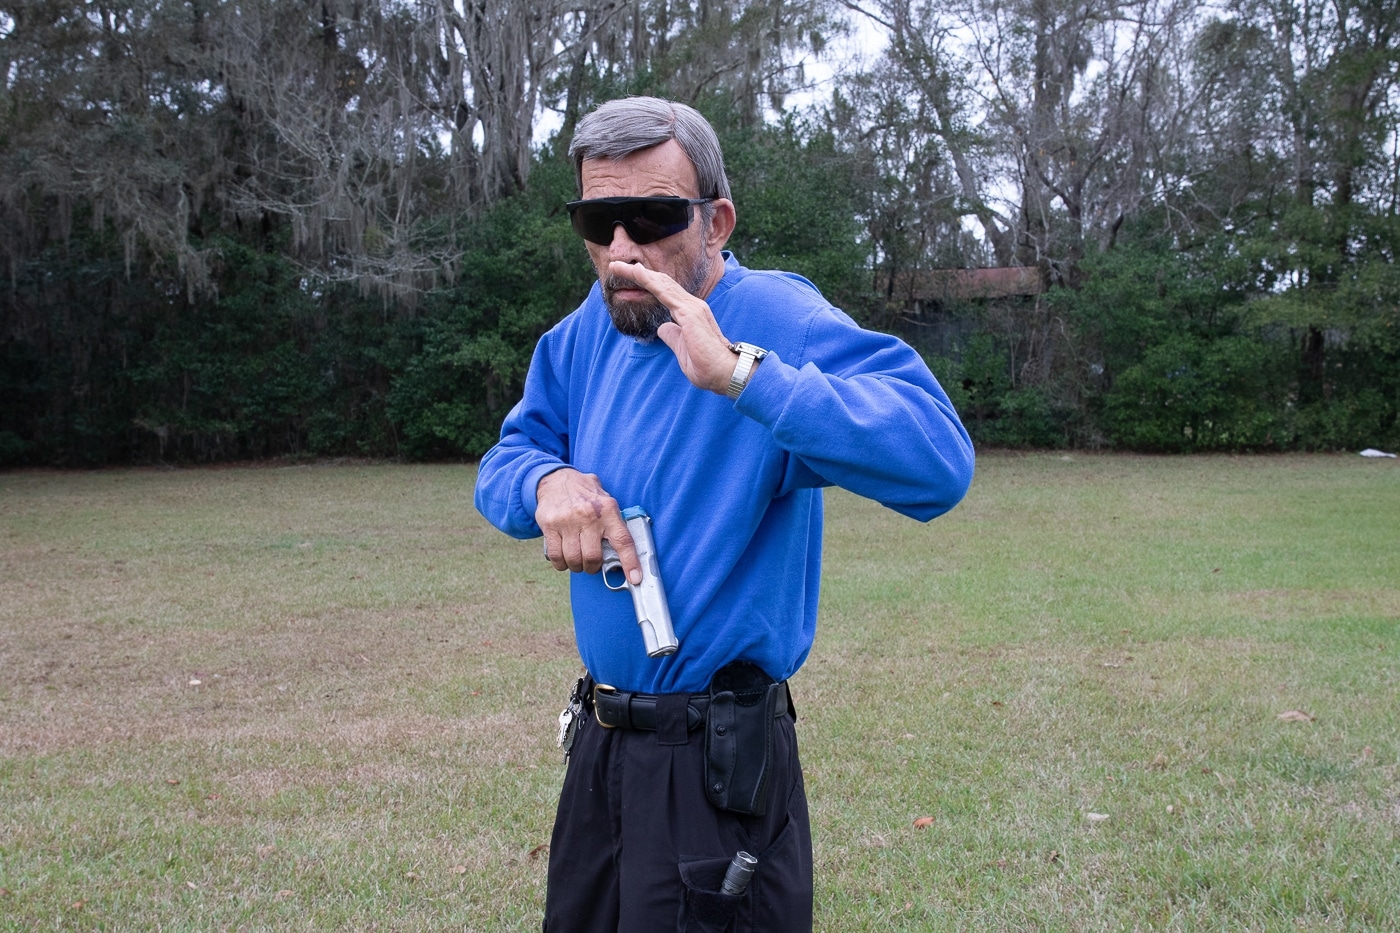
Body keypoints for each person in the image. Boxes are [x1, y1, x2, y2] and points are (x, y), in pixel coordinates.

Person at [473, 96, 974, 933]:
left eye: (653, 217)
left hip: (717, 765)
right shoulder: (582, 334)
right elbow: (506, 459)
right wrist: (543, 481)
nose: (622, 249)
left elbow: (940, 459)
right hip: (601, 747)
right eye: (598, 222)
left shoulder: (778, 318)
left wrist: (745, 377)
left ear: (716, 221)